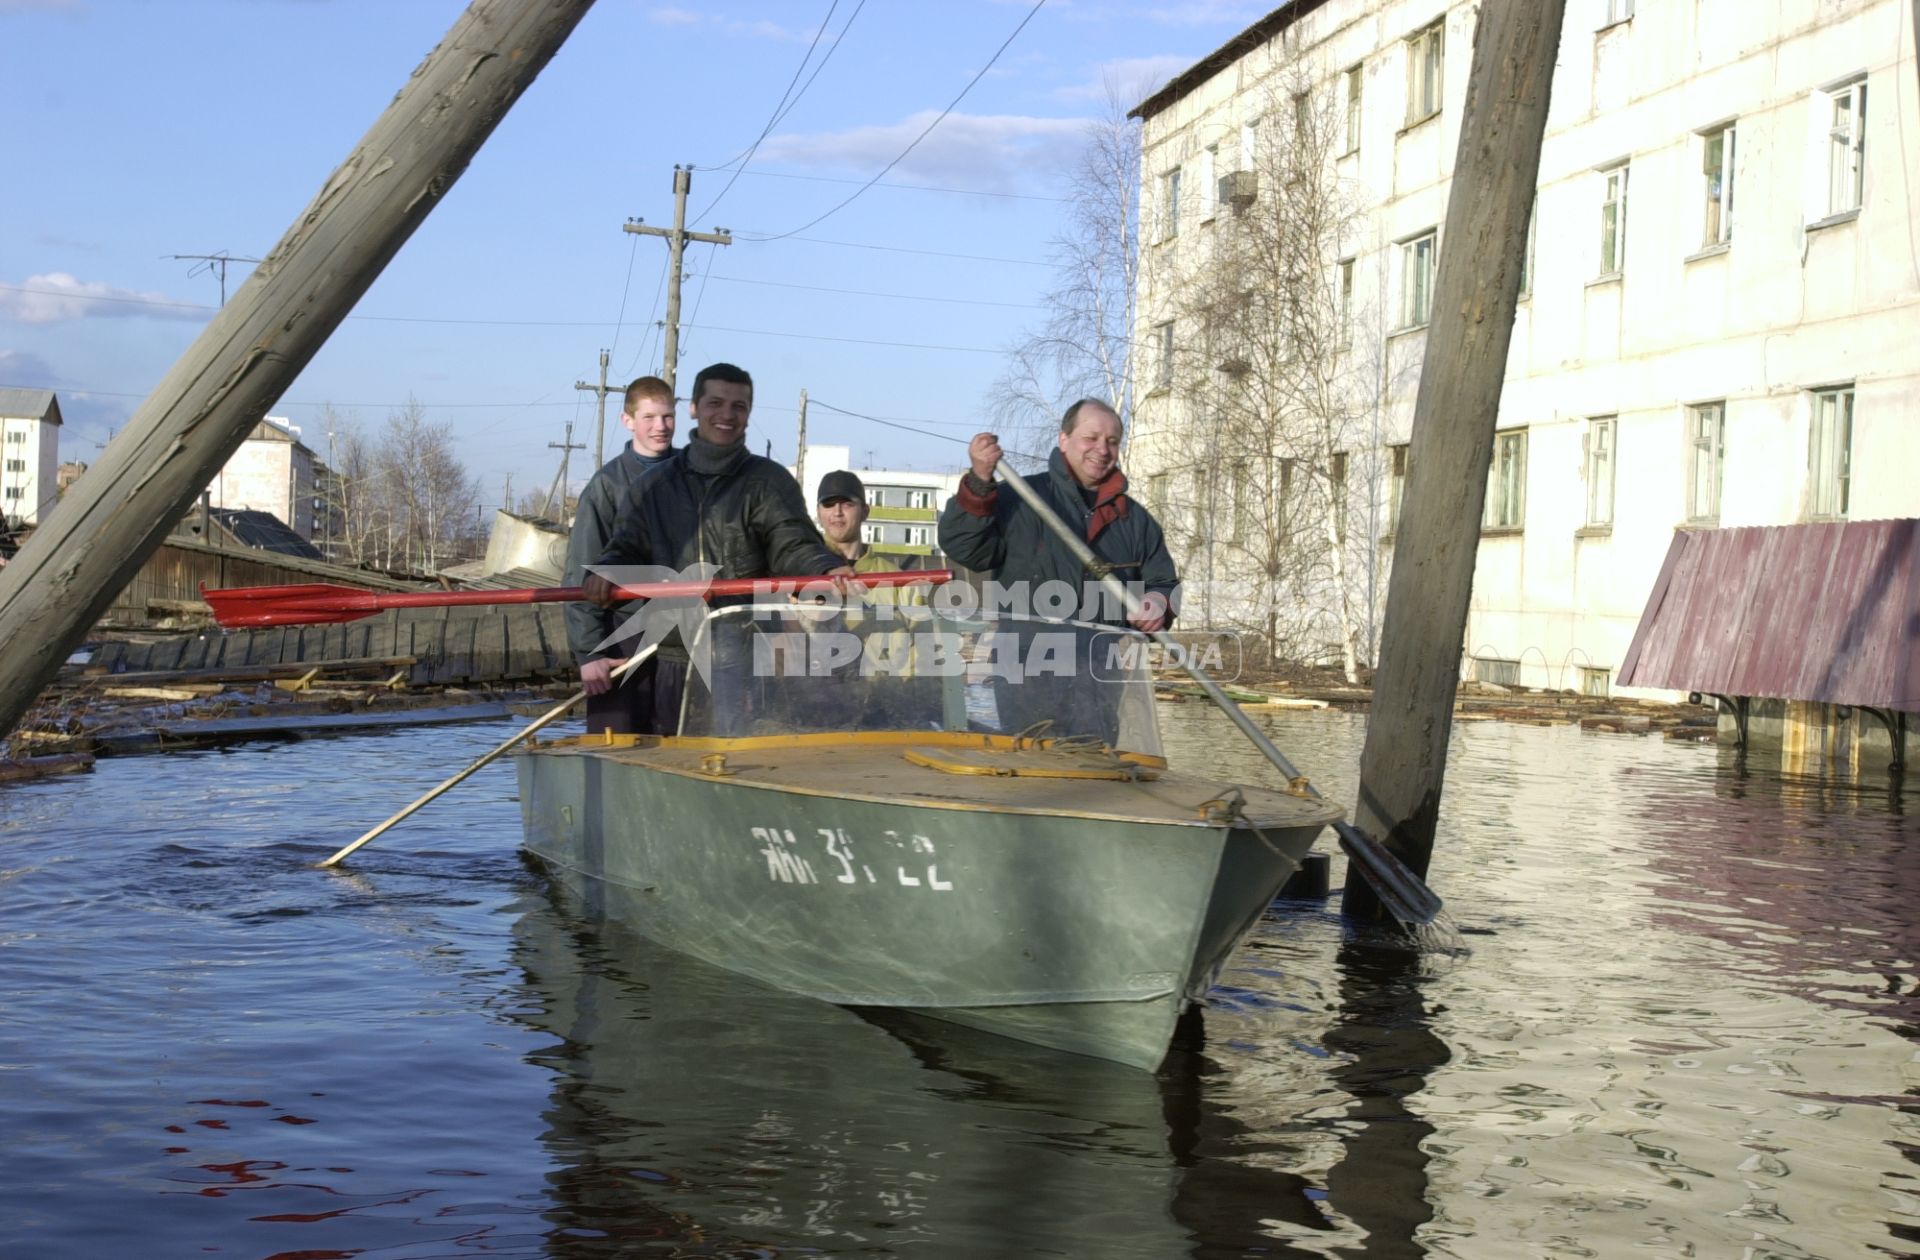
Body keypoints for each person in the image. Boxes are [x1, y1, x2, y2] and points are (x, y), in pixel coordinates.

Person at [585, 362, 850, 734]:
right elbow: (625, 548)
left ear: (749, 414)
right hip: (670, 661)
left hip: (742, 664)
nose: (726, 415)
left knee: (742, 766)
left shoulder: (768, 482)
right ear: (693, 408)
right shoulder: (652, 486)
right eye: (715, 403)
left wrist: (823, 568)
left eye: (738, 407)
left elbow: (793, 542)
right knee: (670, 768)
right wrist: (607, 572)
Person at [938, 398, 1178, 633]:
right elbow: (966, 549)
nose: (1103, 449)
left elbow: (1163, 582)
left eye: (1112, 441)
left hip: (1105, 666)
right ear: (1064, 440)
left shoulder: (1135, 520)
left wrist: (1157, 603)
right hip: (1023, 663)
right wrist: (979, 484)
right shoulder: (1021, 499)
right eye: (1090, 438)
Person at [566, 375, 677, 735]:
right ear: (627, 421)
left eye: (667, 417)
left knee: (688, 748)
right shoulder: (606, 487)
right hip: (620, 636)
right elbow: (579, 572)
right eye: (649, 417)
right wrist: (589, 654)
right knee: (615, 747)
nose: (660, 427)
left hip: (683, 637)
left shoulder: (694, 479)